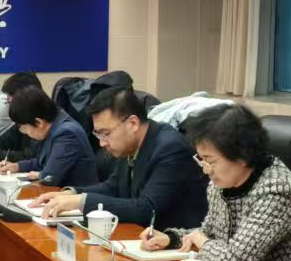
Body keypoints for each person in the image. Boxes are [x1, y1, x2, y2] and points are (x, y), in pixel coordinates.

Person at [140, 103, 291, 261]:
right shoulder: (221, 184)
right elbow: (209, 233)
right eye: (201, 159)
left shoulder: (277, 190)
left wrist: (200, 239)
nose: (206, 170)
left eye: (211, 161)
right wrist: (172, 238)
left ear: (242, 157)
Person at [35, 87, 203, 229]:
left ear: (132, 124)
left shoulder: (170, 148)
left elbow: (147, 209)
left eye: (105, 133)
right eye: (98, 134)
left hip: (175, 244)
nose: (101, 143)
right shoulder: (129, 144)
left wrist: (81, 202)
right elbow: (114, 186)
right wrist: (71, 193)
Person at [0, 86, 99, 187]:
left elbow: (50, 178)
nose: (24, 132)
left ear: (38, 122)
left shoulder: (67, 133)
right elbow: (43, 162)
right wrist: (17, 166)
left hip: (76, 194)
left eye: (24, 127)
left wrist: (40, 175)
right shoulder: (53, 127)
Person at [0, 72, 42, 166]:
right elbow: (2, 142)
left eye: (11, 102)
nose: (9, 108)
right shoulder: (21, 121)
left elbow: (27, 157)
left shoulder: (41, 122)